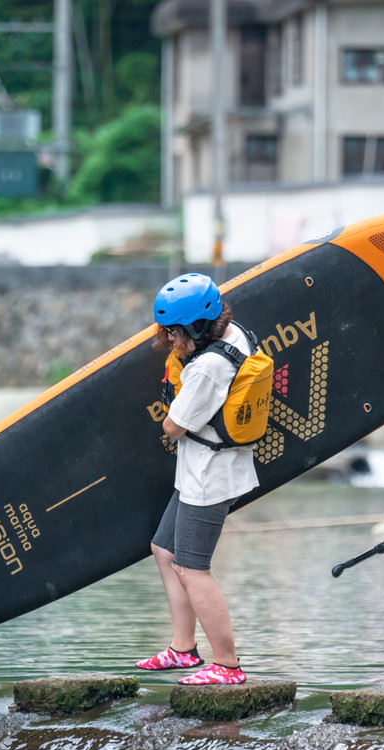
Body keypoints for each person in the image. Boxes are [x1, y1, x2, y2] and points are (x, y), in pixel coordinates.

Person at [136, 273, 258, 685]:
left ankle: (227, 665)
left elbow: (173, 427)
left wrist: (171, 404)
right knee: (163, 549)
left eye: (173, 333)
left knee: (192, 568)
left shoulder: (209, 367)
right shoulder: (234, 333)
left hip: (210, 477)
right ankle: (183, 650)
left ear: (194, 329)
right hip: (200, 469)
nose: (169, 340)